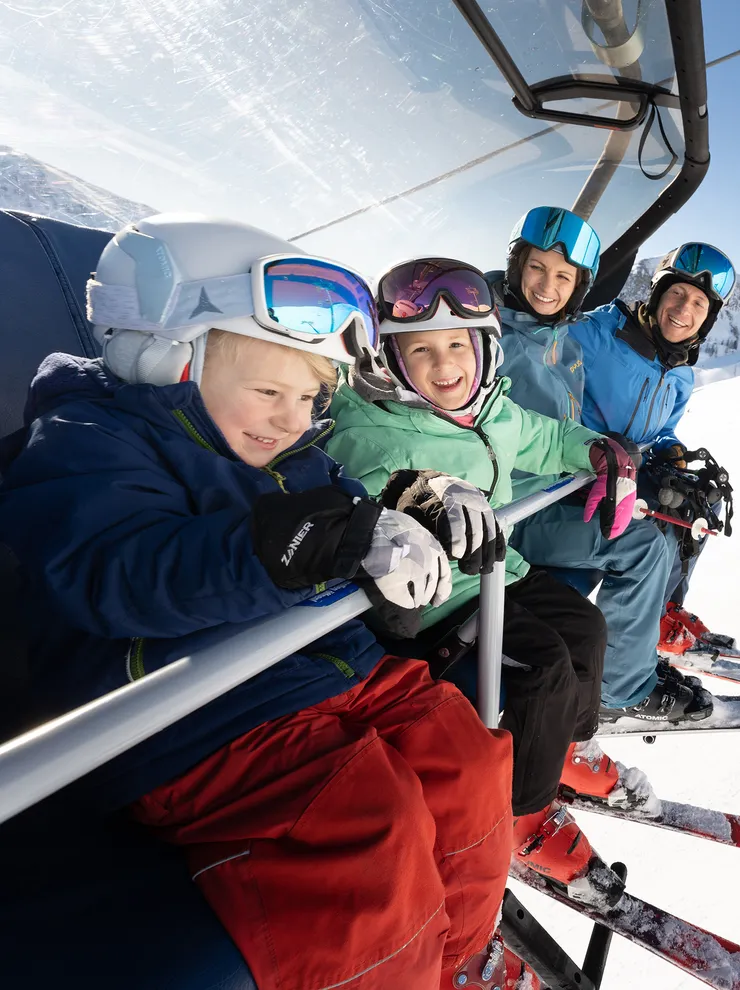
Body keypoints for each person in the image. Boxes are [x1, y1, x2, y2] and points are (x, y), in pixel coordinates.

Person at [0, 214, 516, 990]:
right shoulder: (86, 439)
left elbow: (354, 518)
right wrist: (283, 546)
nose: (293, 418)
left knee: (462, 754)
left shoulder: (290, 452)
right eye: (270, 390)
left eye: (311, 396)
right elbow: (113, 571)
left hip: (322, 672)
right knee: (365, 829)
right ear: (165, 358)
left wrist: (412, 510)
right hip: (192, 713)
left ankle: (462, 964)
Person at [326, 255, 646, 905]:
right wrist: (419, 498)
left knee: (586, 628)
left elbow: (540, 438)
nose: (444, 366)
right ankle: (521, 814)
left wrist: (594, 450)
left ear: (484, 348)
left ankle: (554, 752)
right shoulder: (373, 423)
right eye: (421, 349)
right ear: (392, 356)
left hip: (501, 567)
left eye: (455, 345)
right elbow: (355, 489)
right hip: (437, 598)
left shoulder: (490, 408)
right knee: (539, 671)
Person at [486, 207, 731, 723]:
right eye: (677, 294)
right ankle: (623, 682)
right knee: (649, 539)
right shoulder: (590, 335)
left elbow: (661, 429)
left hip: (604, 469)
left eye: (698, 304)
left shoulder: (681, 372)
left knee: (693, 513)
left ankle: (656, 621)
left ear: (709, 318)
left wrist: (672, 454)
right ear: (657, 293)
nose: (683, 309)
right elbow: (544, 395)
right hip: (565, 478)